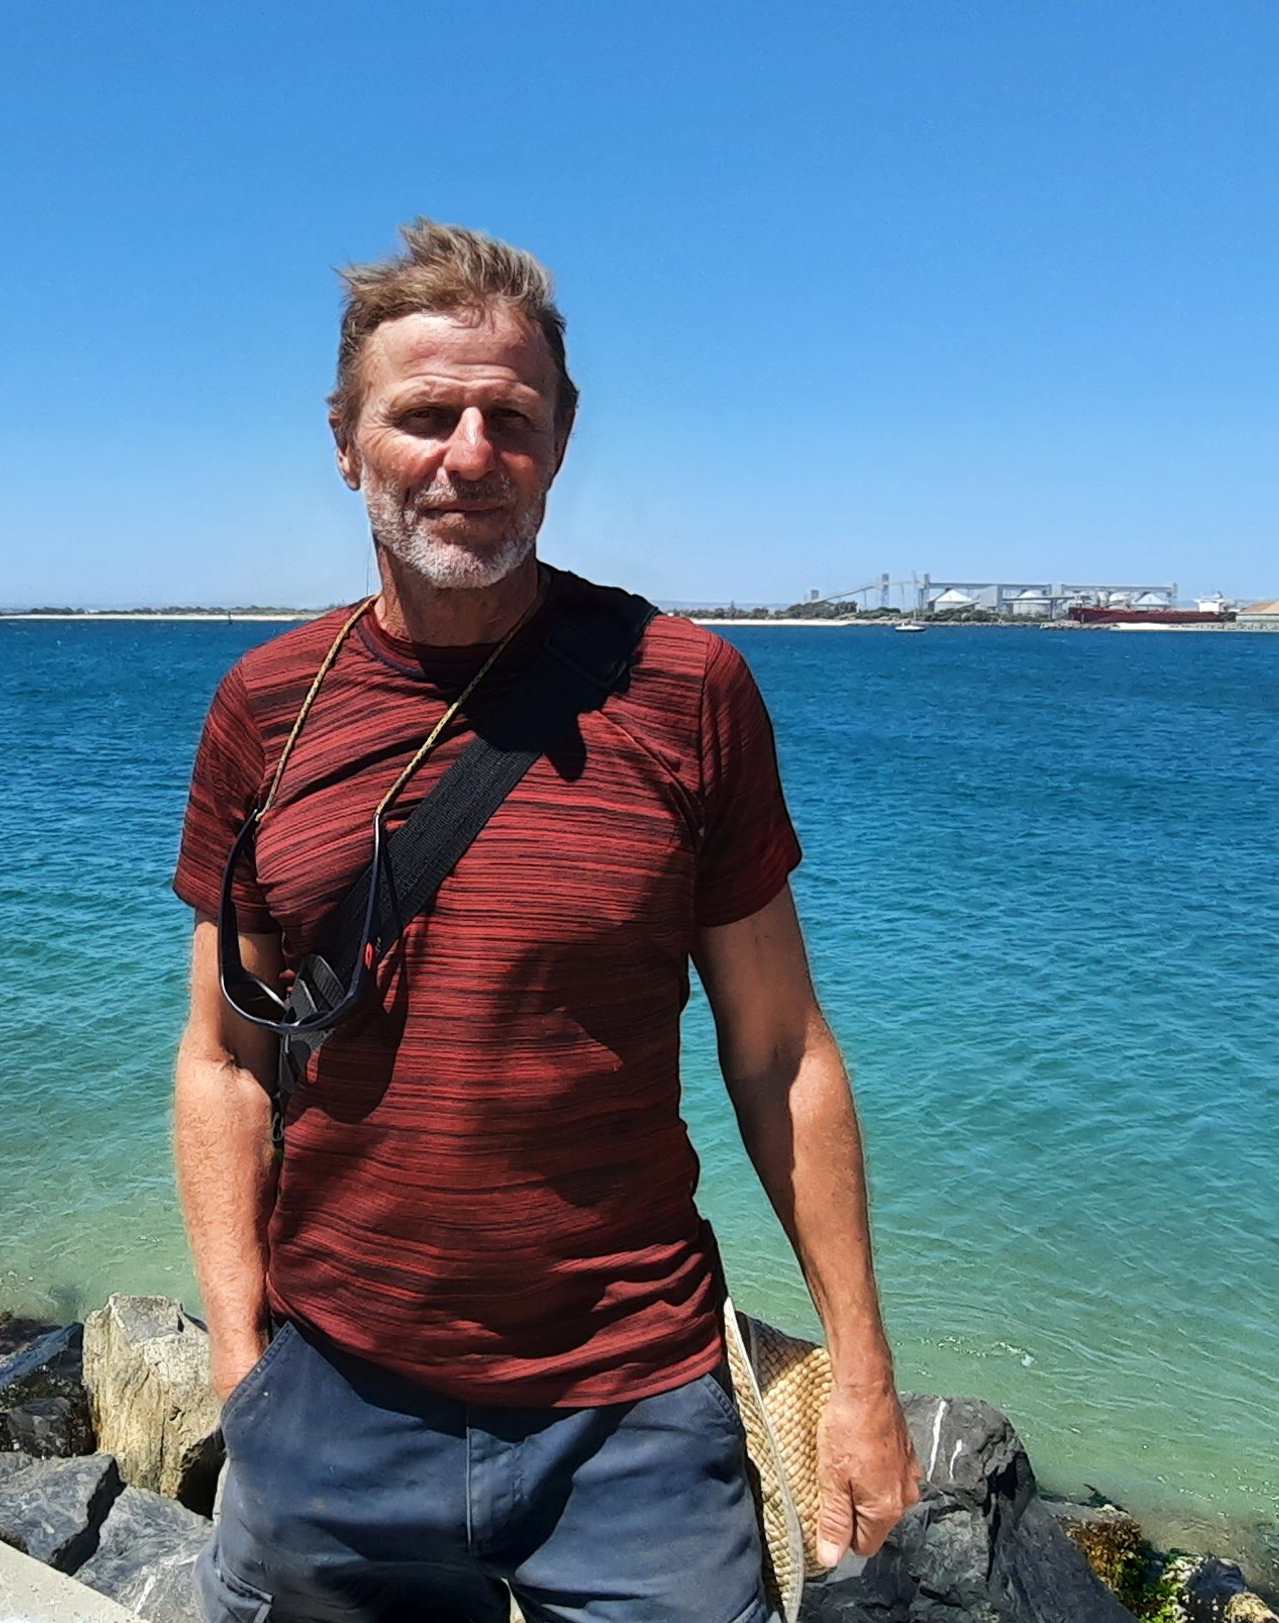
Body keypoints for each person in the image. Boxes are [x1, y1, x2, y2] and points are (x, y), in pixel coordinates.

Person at [172, 220, 917, 1623]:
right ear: (345, 441)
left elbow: (781, 1054)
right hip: (333, 1393)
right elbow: (224, 1059)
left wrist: (861, 1378)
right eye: (423, 416)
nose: (469, 455)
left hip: (633, 1411)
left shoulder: (687, 691)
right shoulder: (264, 709)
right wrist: (237, 1354)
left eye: (509, 418)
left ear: (561, 440)